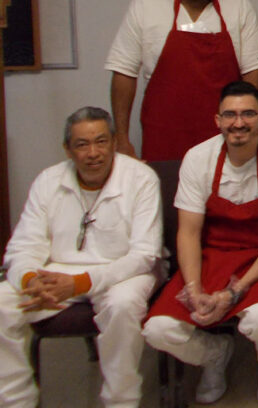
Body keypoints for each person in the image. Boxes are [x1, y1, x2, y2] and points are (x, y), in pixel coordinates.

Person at [143, 82, 258, 405]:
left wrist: (235, 291)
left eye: (248, 114)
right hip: (211, 257)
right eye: (230, 114)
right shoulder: (197, 158)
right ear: (217, 120)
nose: (238, 123)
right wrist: (194, 289)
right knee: (157, 330)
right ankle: (214, 354)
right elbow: (188, 232)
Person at [0, 107, 162, 408]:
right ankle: (15, 401)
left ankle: (121, 401)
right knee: (2, 302)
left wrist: (79, 283)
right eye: (82, 145)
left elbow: (144, 255)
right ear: (67, 149)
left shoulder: (141, 178)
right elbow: (22, 246)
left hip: (124, 272)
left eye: (101, 142)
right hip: (58, 272)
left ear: (114, 142)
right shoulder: (48, 180)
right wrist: (31, 279)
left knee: (122, 305)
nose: (93, 153)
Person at [105, 0, 258, 160]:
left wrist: (247, 125)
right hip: (163, 133)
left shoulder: (238, 6)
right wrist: (121, 138)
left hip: (225, 133)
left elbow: (253, 71)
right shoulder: (146, 5)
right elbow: (124, 72)